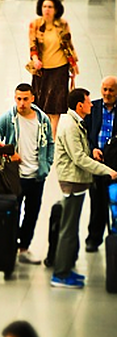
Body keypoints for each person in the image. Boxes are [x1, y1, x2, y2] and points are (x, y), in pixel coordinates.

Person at [51, 89, 117, 289]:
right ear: (80, 105)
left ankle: (67, 269)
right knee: (68, 230)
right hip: (72, 183)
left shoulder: (75, 123)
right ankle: (60, 274)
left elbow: (81, 151)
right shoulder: (70, 126)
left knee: (70, 228)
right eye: (88, 102)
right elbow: (78, 158)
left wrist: (92, 151)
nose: (92, 105)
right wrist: (108, 171)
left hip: (77, 182)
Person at [0, 84, 55, 264]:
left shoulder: (42, 120)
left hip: (36, 176)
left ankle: (24, 247)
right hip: (15, 176)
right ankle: (11, 246)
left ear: (32, 99)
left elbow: (50, 143)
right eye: (18, 99)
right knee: (13, 212)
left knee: (32, 213)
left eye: (25, 99)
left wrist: (47, 163)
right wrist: (9, 155)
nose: (21, 103)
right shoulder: (8, 119)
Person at [28, 0, 78, 136]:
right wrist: (35, 58)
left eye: (50, 7)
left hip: (59, 67)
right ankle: (42, 132)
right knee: (40, 100)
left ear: (56, 10)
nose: (47, 10)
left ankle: (53, 134)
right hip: (41, 69)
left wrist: (73, 65)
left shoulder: (62, 25)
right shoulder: (35, 24)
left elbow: (69, 45)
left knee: (56, 104)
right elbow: (32, 44)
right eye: (44, 7)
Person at [83, 76, 116, 253]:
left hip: (115, 166)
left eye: (111, 90)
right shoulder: (94, 108)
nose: (107, 93)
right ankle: (94, 239)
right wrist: (93, 148)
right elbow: (86, 134)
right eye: (104, 89)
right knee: (97, 203)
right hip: (97, 163)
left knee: (115, 202)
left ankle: (114, 237)